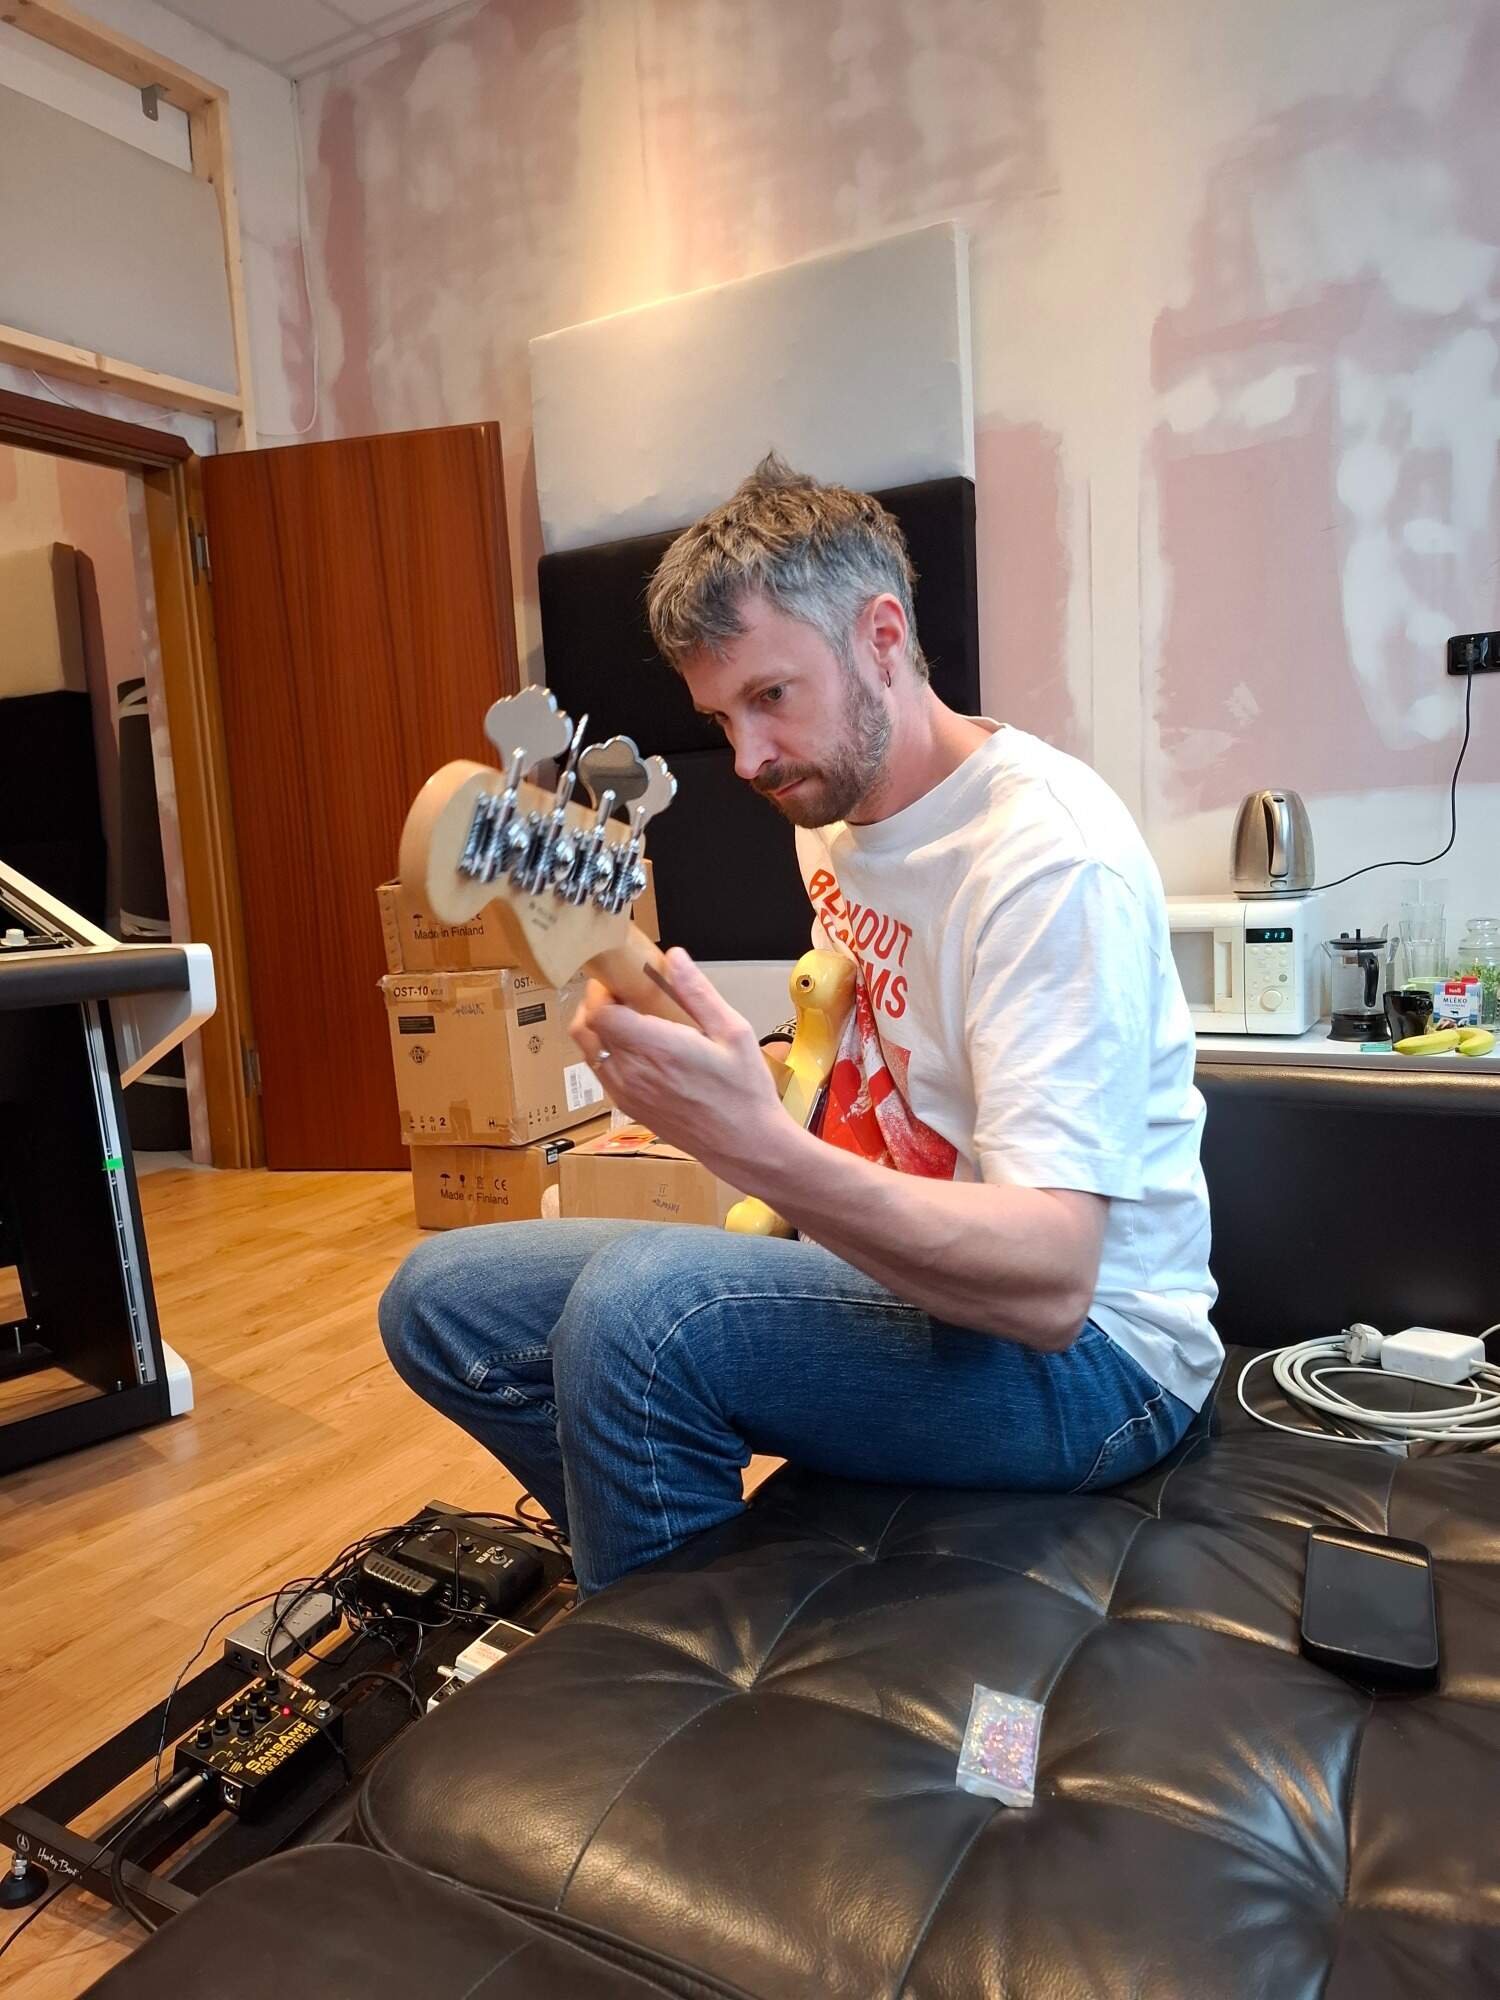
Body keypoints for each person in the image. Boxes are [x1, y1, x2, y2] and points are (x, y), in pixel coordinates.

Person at [379, 454, 1220, 1595]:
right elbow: (866, 1054)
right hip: (899, 1275)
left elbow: (1053, 1277)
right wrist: (692, 1048)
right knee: (441, 1301)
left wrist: (755, 1148)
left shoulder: (1047, 862)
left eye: (771, 696)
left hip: (1097, 1364)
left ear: (884, 637)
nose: (746, 759)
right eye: (720, 717)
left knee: (642, 1311)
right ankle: (692, 1580)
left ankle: (675, 1661)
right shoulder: (829, 808)